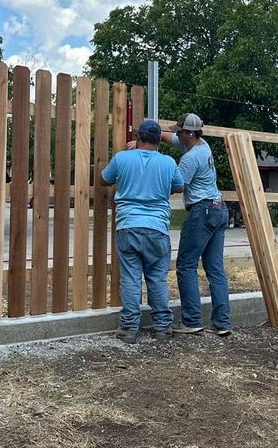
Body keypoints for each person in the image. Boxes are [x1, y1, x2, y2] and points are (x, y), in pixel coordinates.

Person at [100, 119, 184, 344]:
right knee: (157, 279)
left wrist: (128, 158)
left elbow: (103, 180)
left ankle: (129, 329)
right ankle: (162, 328)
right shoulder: (168, 162)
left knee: (130, 279)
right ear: (159, 140)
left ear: (138, 137)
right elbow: (179, 186)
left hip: (128, 227)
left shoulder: (122, 158)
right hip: (157, 229)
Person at [161, 113, 233, 337]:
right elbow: (169, 138)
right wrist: (151, 132)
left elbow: (179, 186)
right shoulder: (203, 145)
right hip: (219, 209)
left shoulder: (190, 159)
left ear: (189, 134)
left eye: (180, 131)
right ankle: (223, 323)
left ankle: (191, 320)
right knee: (215, 268)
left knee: (186, 265)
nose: (177, 134)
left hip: (202, 211)